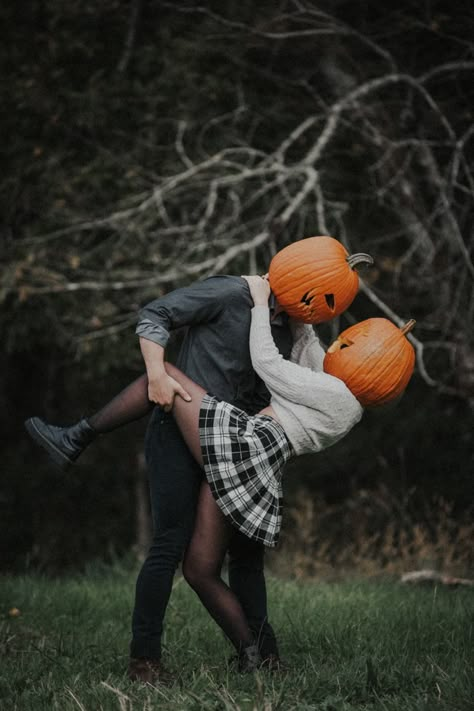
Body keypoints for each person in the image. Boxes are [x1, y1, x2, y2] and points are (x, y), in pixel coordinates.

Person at [26, 271, 322, 681]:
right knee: (168, 546)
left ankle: (263, 658)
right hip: (178, 431)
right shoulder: (230, 292)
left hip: (234, 447)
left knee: (244, 557)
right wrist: (157, 375)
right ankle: (144, 662)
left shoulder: (291, 331)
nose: (315, 303)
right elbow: (155, 314)